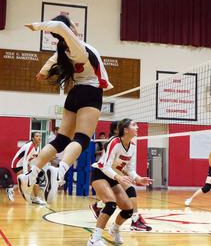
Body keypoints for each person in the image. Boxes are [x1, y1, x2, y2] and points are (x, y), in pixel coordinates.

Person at [18, 15, 112, 204]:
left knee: (61, 139)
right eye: (74, 25)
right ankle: (59, 173)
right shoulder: (77, 46)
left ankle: (32, 173)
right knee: (82, 139)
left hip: (74, 93)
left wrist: (44, 72)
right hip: (90, 92)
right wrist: (37, 26)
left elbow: (53, 58)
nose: (77, 27)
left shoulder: (63, 50)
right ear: (69, 30)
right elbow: (60, 25)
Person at [87, 119, 152, 245]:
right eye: (134, 125)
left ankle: (114, 229)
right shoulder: (115, 142)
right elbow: (105, 167)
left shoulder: (132, 146)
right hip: (100, 173)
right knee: (110, 203)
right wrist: (118, 177)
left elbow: (130, 169)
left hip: (114, 176)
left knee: (128, 209)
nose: (137, 127)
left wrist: (139, 179)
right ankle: (94, 239)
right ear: (126, 130)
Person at [7, 132, 45, 205]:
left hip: (25, 164)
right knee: (27, 182)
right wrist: (26, 174)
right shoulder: (29, 146)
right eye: (37, 136)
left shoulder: (38, 147)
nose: (39, 137)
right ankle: (11, 189)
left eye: (40, 136)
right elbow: (25, 160)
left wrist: (31, 168)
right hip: (17, 164)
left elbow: (30, 160)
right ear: (33, 138)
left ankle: (35, 198)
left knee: (31, 182)